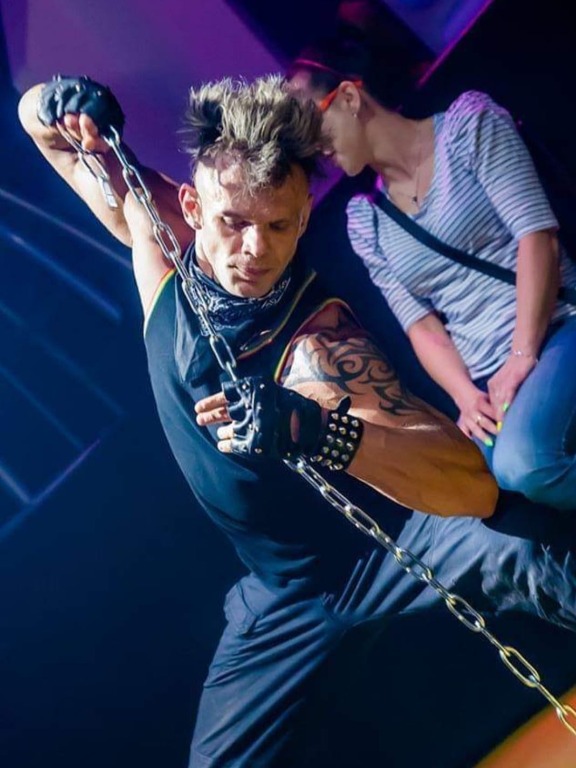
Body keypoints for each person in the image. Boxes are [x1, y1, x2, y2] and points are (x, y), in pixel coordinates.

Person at [18, 73, 576, 767]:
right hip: (283, 590)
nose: (255, 248)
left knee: (529, 547)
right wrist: (63, 101)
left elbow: (469, 484)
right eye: (234, 222)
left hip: (398, 544)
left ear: (304, 219)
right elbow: (46, 130)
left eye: (278, 225)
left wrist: (314, 430)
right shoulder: (161, 246)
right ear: (192, 207)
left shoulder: (318, 346)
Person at [287, 2, 576, 511]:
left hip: (554, 328)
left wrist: (520, 357)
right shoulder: (366, 220)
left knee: (523, 463)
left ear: (349, 96)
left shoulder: (467, 123)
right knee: (478, 491)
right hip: (491, 381)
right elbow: (421, 327)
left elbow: (537, 238)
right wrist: (466, 397)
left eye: (313, 126)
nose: (314, 150)